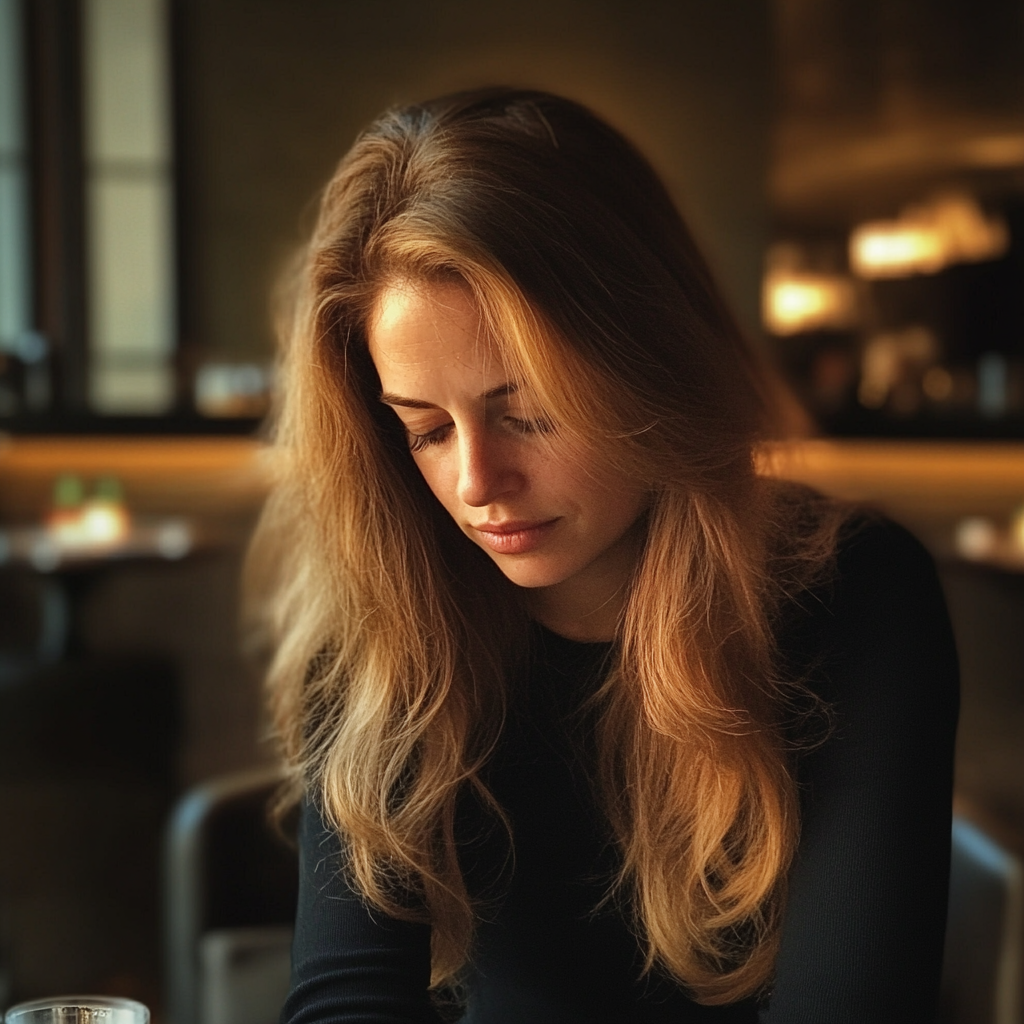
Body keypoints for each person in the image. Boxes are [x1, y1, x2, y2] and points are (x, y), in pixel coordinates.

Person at [247, 87, 959, 1024]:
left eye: (528, 412)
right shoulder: (388, 613)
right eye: (425, 430)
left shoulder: (857, 590)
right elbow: (346, 1003)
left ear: (648, 362)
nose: (477, 481)